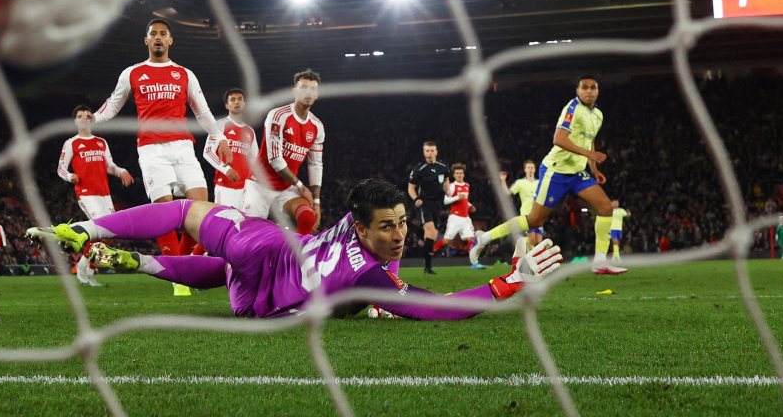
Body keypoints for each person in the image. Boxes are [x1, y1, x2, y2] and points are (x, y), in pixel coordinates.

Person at [30, 178, 562, 320]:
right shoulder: (367, 273)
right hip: (262, 297)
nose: (399, 234)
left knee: (190, 215)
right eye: (388, 227)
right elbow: (426, 305)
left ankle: (100, 236)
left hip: (258, 258)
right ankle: (123, 250)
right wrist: (508, 283)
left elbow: (419, 295)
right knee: (195, 228)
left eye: (402, 224)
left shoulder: (364, 245)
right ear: (360, 227)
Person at [93, 18, 229, 296]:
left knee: (200, 208)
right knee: (166, 211)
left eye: (162, 34)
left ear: (170, 40)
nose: (157, 37)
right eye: (152, 33)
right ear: (146, 41)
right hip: (152, 149)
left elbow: (202, 112)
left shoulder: (184, 74)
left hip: (183, 146)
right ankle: (180, 278)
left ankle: (182, 269)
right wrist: (92, 119)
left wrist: (220, 137)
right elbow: (113, 104)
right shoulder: (132, 72)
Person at [470, 75, 626, 275]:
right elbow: (559, 138)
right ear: (577, 91)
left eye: (593, 87)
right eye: (584, 87)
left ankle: (600, 262)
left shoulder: (598, 115)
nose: (589, 91)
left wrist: (593, 168)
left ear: (597, 91)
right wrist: (589, 154)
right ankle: (483, 238)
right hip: (556, 171)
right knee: (535, 221)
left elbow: (590, 141)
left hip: (578, 173)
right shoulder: (572, 109)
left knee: (606, 207)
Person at [58, 105, 134, 285]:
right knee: (101, 229)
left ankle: (88, 268)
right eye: (80, 116)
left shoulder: (101, 142)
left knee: (109, 235)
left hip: (104, 194)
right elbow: (61, 167)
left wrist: (122, 171)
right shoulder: (71, 143)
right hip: (86, 194)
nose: (84, 117)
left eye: (87, 115)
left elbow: (110, 166)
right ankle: (83, 269)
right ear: (75, 121)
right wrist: (70, 176)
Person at [245, 70, 324, 236]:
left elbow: (315, 164)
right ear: (294, 91)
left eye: (312, 89)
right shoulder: (278, 115)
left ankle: (296, 260)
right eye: (303, 88)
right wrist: (301, 186)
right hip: (260, 184)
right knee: (249, 236)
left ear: (317, 94)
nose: (307, 92)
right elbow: (275, 159)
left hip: (286, 188)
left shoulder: (317, 126)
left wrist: (316, 202)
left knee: (308, 217)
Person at [203, 89, 258, 211]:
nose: (237, 102)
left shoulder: (250, 131)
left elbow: (255, 161)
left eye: (240, 99)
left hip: (246, 189)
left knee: (244, 227)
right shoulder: (219, 125)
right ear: (227, 105)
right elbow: (208, 152)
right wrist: (226, 169)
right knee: (225, 225)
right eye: (232, 100)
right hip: (226, 186)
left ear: (244, 104)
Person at [407, 141, 452, 274]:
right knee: (431, 231)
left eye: (432, 150)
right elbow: (411, 188)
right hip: (424, 203)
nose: (430, 153)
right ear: (424, 152)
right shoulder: (419, 168)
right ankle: (427, 267)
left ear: (436, 152)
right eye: (427, 151)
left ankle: (412, 227)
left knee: (431, 235)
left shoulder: (443, 166)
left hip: (438, 204)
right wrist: (416, 199)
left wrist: (447, 189)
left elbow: (446, 180)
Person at [434, 163, 478, 266]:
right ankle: (430, 253)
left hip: (466, 217)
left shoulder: (467, 186)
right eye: (457, 173)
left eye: (461, 173)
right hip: (455, 217)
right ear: (454, 175)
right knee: (446, 240)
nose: (459, 175)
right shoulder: (452, 186)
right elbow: (445, 200)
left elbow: (464, 199)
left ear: (464, 175)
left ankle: (474, 262)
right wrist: (458, 197)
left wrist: (470, 205)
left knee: (471, 238)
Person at [500, 160, 543, 250]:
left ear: (535, 169)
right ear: (525, 170)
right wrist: (503, 181)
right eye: (528, 168)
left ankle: (535, 259)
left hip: (538, 214)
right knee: (532, 240)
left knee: (539, 241)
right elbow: (507, 192)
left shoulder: (540, 183)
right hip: (527, 214)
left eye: (532, 167)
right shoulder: (519, 182)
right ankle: (530, 260)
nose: (530, 169)